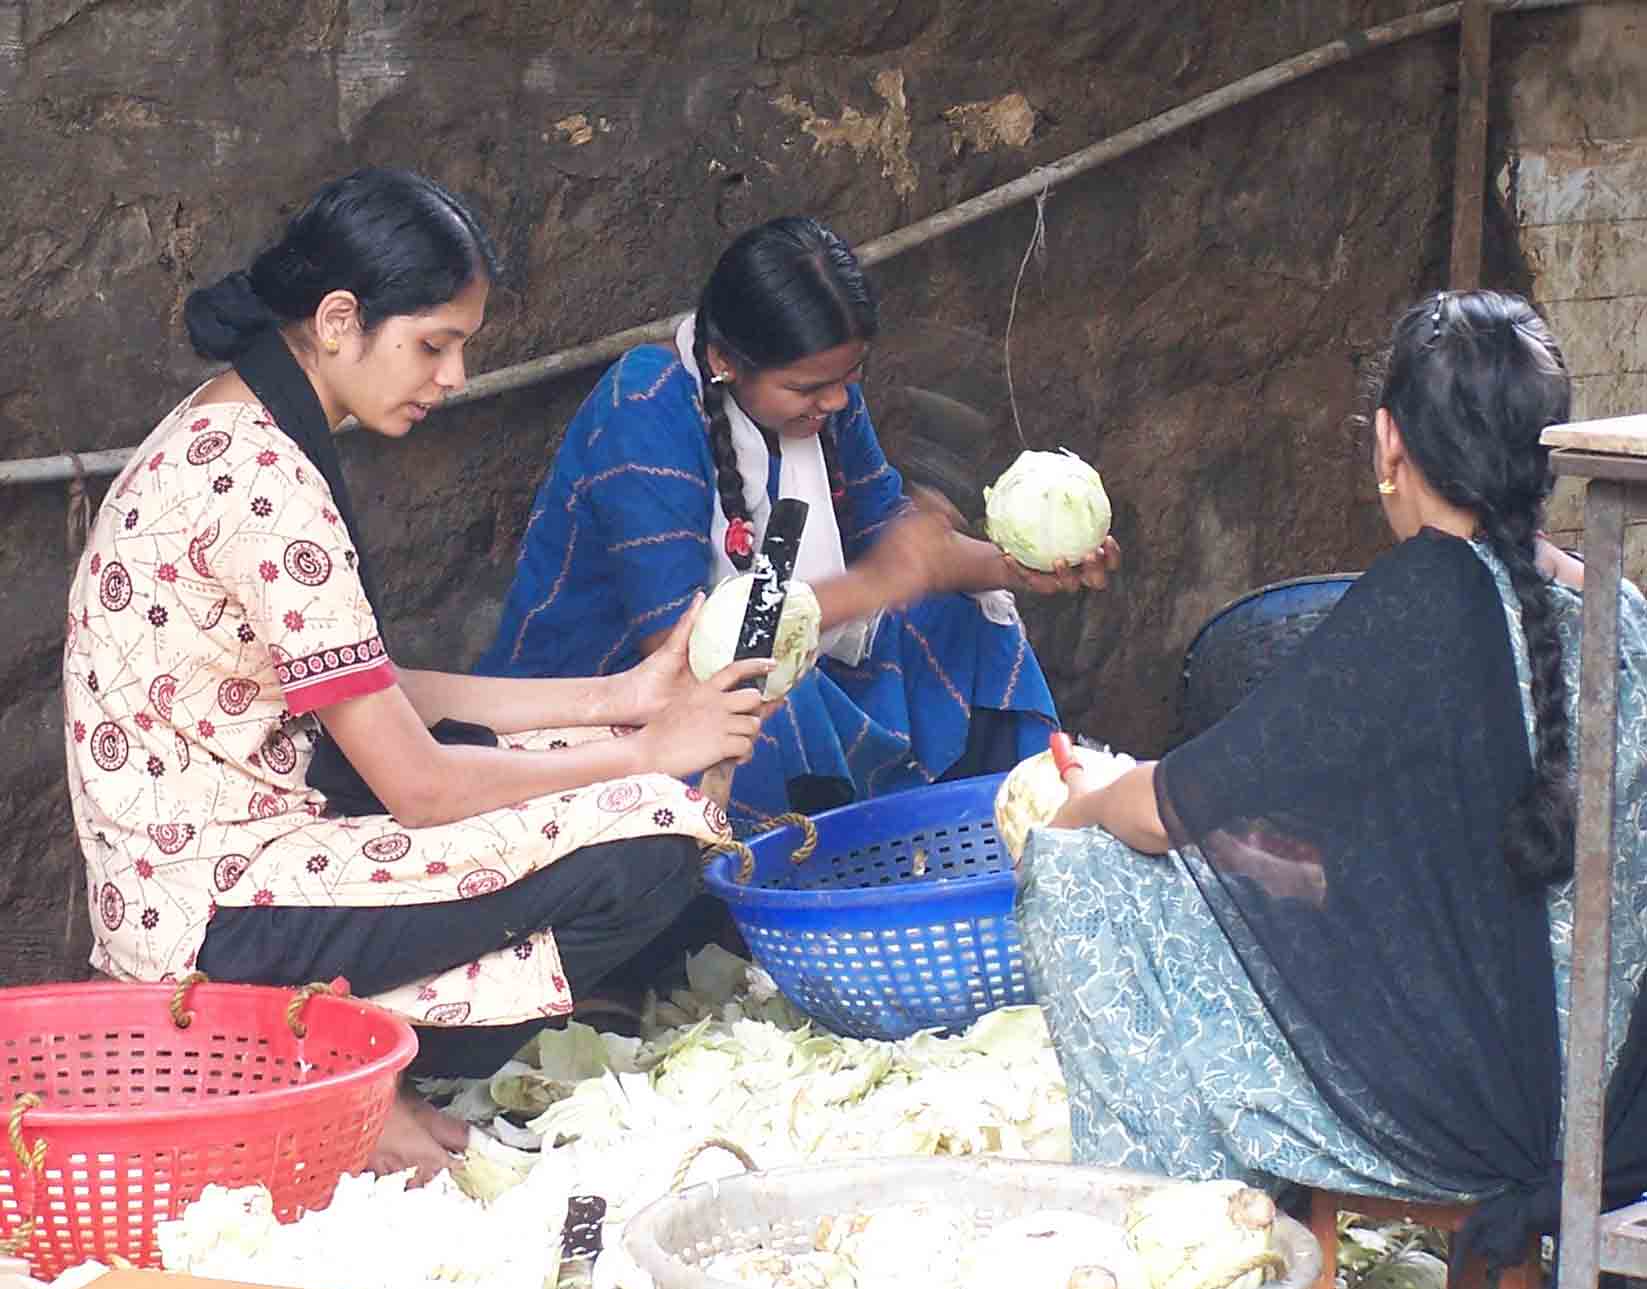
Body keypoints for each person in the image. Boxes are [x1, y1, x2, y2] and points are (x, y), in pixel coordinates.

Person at [63, 168, 774, 1184]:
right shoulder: (266, 483)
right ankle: (315, 1078)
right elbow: (420, 784)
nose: (452, 376)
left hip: (197, 879)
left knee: (572, 765)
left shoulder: (235, 422)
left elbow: (370, 683)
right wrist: (649, 750)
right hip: (208, 917)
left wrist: (618, 703)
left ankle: (345, 1062)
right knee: (657, 831)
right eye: (433, 343)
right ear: (342, 320)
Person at [1015, 289, 1647, 1268]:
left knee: (1082, 872)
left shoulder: (1421, 604)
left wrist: (1089, 792)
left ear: (1389, 443)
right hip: (1607, 1107)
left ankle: (1166, 1241)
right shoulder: (1620, 604)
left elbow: (1164, 812)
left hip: (1479, 1114)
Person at [475, 216, 1121, 831]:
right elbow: (684, 653)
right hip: (617, 688)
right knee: (766, 705)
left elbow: (890, 534)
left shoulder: (825, 397)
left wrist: (1017, 566)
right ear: (726, 360)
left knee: (972, 617)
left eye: (848, 378)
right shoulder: (642, 409)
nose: (836, 400)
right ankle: (800, 879)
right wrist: (879, 583)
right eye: (811, 387)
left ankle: (1008, 828)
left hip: (778, 647)